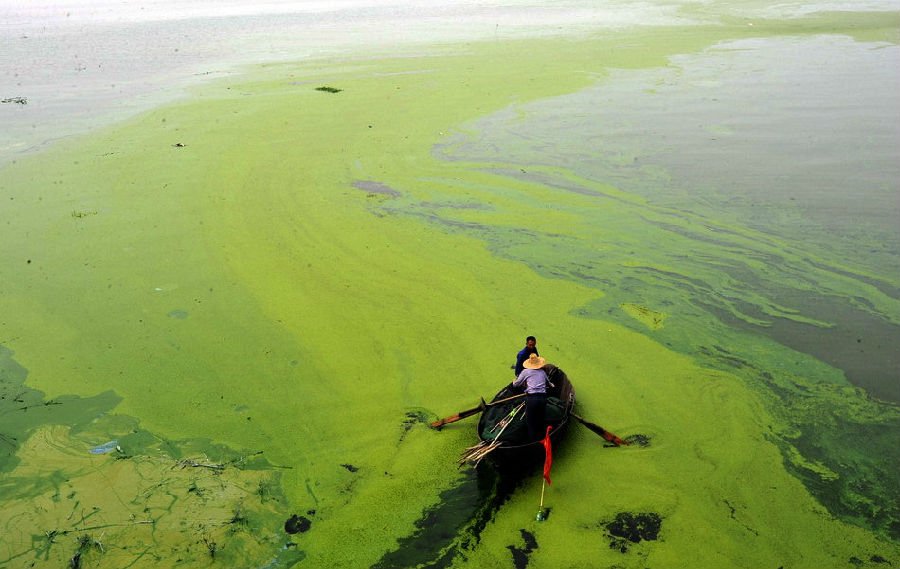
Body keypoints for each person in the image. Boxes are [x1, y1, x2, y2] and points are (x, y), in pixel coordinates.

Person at [512, 353, 549, 440]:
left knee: (530, 421)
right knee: (540, 419)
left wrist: (514, 381)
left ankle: (533, 441)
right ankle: (542, 438)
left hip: (532, 399)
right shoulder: (543, 372)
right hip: (543, 398)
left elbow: (516, 384)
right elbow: (548, 383)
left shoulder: (525, 372)